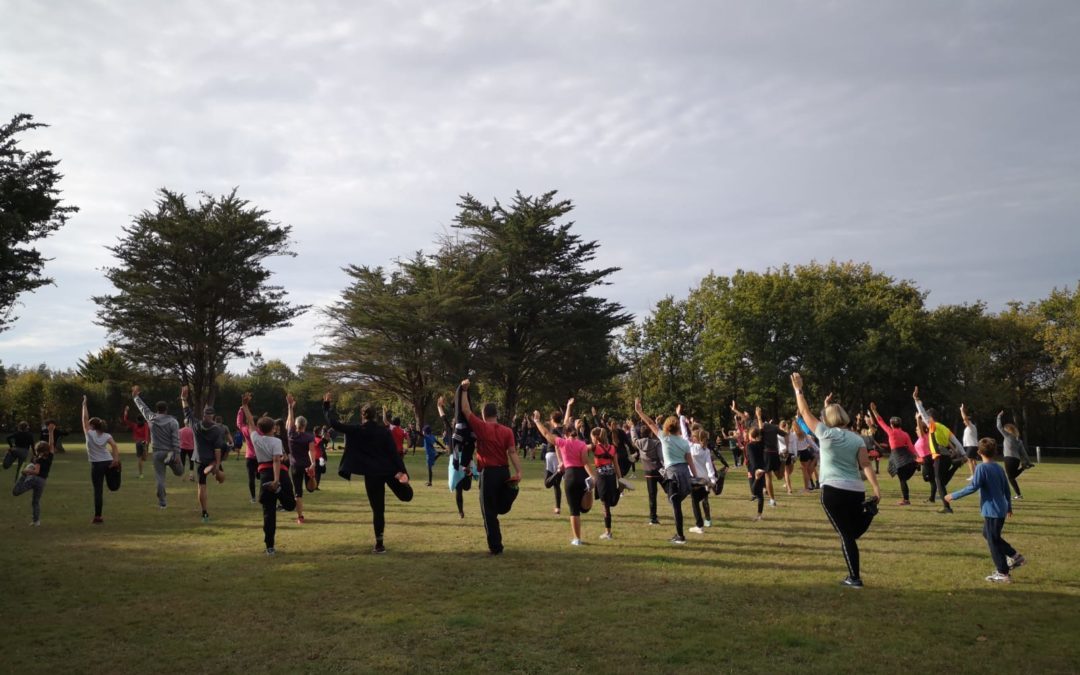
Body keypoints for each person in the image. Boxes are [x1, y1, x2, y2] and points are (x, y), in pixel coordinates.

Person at [791, 373, 881, 588]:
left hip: (833, 490)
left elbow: (803, 412)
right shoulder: (857, 438)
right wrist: (876, 489)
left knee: (846, 535)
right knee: (850, 533)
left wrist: (798, 390)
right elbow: (866, 465)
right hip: (856, 489)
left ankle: (854, 578)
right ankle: (868, 513)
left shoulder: (825, 433)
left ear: (828, 419)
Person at [324, 392, 412, 554]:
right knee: (407, 496)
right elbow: (393, 454)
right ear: (376, 416)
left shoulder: (358, 430)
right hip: (389, 471)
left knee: (378, 510)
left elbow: (334, 424)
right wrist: (403, 472)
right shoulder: (384, 432)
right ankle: (405, 486)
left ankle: (379, 545)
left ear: (362, 416)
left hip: (372, 475)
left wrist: (327, 406)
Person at [945, 438, 1026, 583]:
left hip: (992, 511)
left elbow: (973, 487)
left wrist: (953, 495)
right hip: (1000, 509)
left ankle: (1003, 572)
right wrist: (1008, 507)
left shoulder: (982, 468)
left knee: (993, 541)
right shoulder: (998, 468)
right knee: (988, 534)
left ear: (979, 452)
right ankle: (1014, 556)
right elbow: (1007, 490)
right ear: (995, 452)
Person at [459, 379, 521, 555]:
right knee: (499, 506)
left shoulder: (481, 427)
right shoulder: (507, 431)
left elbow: (465, 409)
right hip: (504, 471)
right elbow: (513, 452)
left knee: (488, 511)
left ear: (484, 414)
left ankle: (496, 547)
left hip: (489, 473)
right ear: (497, 414)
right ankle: (509, 497)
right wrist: (518, 471)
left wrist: (464, 390)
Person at [635, 398, 697, 545]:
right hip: (684, 474)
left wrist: (639, 411)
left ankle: (680, 536)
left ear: (667, 427)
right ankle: (679, 534)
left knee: (675, 506)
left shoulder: (664, 438)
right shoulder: (684, 442)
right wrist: (696, 477)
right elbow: (690, 462)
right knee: (676, 504)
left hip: (673, 474)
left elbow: (650, 423)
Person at [242, 395, 296, 555]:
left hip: (264, 476)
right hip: (279, 476)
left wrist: (245, 406)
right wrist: (277, 481)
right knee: (290, 505)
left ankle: (269, 547)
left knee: (268, 513)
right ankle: (279, 491)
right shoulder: (276, 442)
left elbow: (251, 422)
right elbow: (276, 461)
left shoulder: (255, 438)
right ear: (273, 428)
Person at [534, 404, 594, 546]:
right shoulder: (582, 444)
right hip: (582, 475)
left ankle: (577, 539)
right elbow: (586, 462)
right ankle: (589, 492)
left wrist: (537, 421)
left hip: (570, 476)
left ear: (566, 434)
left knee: (574, 511)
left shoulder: (562, 443)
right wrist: (593, 477)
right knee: (584, 508)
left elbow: (546, 434)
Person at [181, 386, 229, 524]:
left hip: (200, 460)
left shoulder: (196, 425)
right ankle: (213, 469)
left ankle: (204, 513)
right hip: (213, 459)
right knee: (221, 479)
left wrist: (184, 398)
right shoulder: (217, 430)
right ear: (213, 416)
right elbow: (218, 450)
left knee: (201, 485)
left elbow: (187, 413)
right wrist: (217, 465)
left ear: (203, 415)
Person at [914, 387, 966, 513]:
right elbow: (956, 442)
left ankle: (947, 507)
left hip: (938, 457)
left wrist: (916, 400)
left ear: (930, 417)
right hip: (947, 458)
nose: (925, 419)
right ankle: (955, 464)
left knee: (939, 482)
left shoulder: (932, 425)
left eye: (927, 417)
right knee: (941, 480)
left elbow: (923, 414)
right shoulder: (944, 427)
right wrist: (963, 454)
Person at [132, 385, 183, 509]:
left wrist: (135, 397)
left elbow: (143, 408)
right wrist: (177, 454)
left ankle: (162, 503)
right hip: (169, 451)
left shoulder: (151, 418)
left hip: (157, 452)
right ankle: (171, 458)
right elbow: (176, 439)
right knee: (180, 472)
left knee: (160, 478)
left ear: (157, 409)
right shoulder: (173, 422)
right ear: (166, 409)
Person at [82, 395, 121, 524]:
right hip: (109, 462)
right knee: (113, 486)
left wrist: (84, 404)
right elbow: (114, 446)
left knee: (98, 490)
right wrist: (115, 459)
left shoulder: (89, 433)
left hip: (97, 465)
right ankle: (118, 471)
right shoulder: (107, 435)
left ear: (92, 425)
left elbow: (84, 418)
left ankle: (98, 516)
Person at [870, 402, 917, 506]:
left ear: (891, 424)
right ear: (900, 424)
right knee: (903, 479)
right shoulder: (905, 434)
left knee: (902, 480)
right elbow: (911, 447)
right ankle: (906, 499)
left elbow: (880, 421)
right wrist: (917, 456)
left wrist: (874, 410)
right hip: (907, 457)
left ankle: (906, 500)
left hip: (897, 457)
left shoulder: (890, 432)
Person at [589, 427, 626, 541]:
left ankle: (608, 532)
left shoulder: (595, 448)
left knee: (605, 506)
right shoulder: (612, 448)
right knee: (611, 502)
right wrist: (620, 479)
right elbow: (616, 465)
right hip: (611, 477)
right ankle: (619, 490)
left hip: (602, 478)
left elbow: (582, 449)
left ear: (596, 437)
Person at [285, 394, 317, 524]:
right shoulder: (309, 437)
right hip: (306, 465)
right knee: (311, 488)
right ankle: (312, 478)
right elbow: (311, 450)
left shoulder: (291, 434)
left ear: (296, 425)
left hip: (295, 466)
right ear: (305, 425)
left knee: (298, 493)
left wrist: (290, 407)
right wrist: (313, 463)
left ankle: (300, 517)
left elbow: (289, 422)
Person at [13, 428, 54, 526]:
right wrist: (51, 432)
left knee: (16, 492)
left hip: (34, 479)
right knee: (36, 501)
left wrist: (25, 472)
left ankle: (22, 476)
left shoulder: (38, 460)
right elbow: (51, 444)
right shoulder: (50, 457)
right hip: (42, 481)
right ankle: (36, 521)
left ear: (37, 450)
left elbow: (36, 471)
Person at [630, 418, 664, 525]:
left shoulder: (638, 443)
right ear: (650, 432)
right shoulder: (656, 443)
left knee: (652, 496)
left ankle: (653, 518)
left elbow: (634, 438)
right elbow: (662, 457)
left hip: (648, 472)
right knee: (670, 491)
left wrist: (632, 427)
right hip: (659, 470)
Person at [996, 411, 1034, 499]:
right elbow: (1023, 453)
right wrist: (1028, 462)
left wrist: (998, 417)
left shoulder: (1008, 436)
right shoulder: (1019, 440)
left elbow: (999, 427)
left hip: (1009, 458)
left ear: (1008, 430)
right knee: (1011, 477)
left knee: (1010, 477)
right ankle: (1023, 468)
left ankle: (1018, 495)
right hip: (1016, 460)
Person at [687, 429, 718, 533]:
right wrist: (713, 480)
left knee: (695, 502)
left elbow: (684, 433)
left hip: (695, 480)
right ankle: (705, 521)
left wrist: (680, 416)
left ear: (696, 438)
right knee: (701, 501)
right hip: (705, 481)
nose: (691, 437)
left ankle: (699, 526)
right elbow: (710, 466)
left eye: (693, 436)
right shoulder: (706, 450)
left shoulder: (691, 447)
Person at [237, 400, 258, 503]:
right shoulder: (260, 431)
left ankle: (253, 498)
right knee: (263, 476)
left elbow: (239, 423)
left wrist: (241, 409)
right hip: (260, 457)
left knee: (251, 478)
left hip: (250, 457)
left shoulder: (245, 429)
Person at [120, 406, 150, 479]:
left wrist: (126, 411)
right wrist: (146, 442)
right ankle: (144, 453)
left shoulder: (135, 425)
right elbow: (146, 433)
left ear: (137, 420)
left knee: (140, 458)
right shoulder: (145, 425)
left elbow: (125, 420)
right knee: (144, 458)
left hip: (138, 442)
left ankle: (141, 474)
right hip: (144, 442)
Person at [744, 428, 767, 521]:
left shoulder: (749, 445)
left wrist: (752, 471)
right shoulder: (762, 444)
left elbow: (752, 459)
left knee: (754, 492)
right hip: (762, 469)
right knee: (760, 494)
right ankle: (759, 515)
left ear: (751, 436)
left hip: (754, 470)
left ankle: (759, 515)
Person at [5, 421, 35, 486]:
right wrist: (35, 454)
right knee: (20, 468)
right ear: (27, 427)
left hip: (16, 450)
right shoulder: (30, 435)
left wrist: (11, 446)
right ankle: (17, 482)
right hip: (24, 452)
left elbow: (8, 438)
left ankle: (7, 459)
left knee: (7, 465)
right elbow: (32, 445)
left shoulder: (17, 433)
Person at [543, 442, 563, 515]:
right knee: (555, 484)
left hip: (552, 455)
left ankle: (557, 508)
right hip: (555, 455)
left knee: (550, 484)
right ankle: (557, 508)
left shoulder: (554, 432)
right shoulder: (562, 432)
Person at [960, 404, 979, 479]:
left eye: (966, 420)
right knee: (973, 460)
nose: (964, 421)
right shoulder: (970, 427)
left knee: (969, 460)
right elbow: (965, 419)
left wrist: (962, 410)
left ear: (969, 421)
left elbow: (964, 418)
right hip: (972, 445)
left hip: (972, 445)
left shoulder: (971, 426)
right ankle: (977, 474)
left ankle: (973, 475)